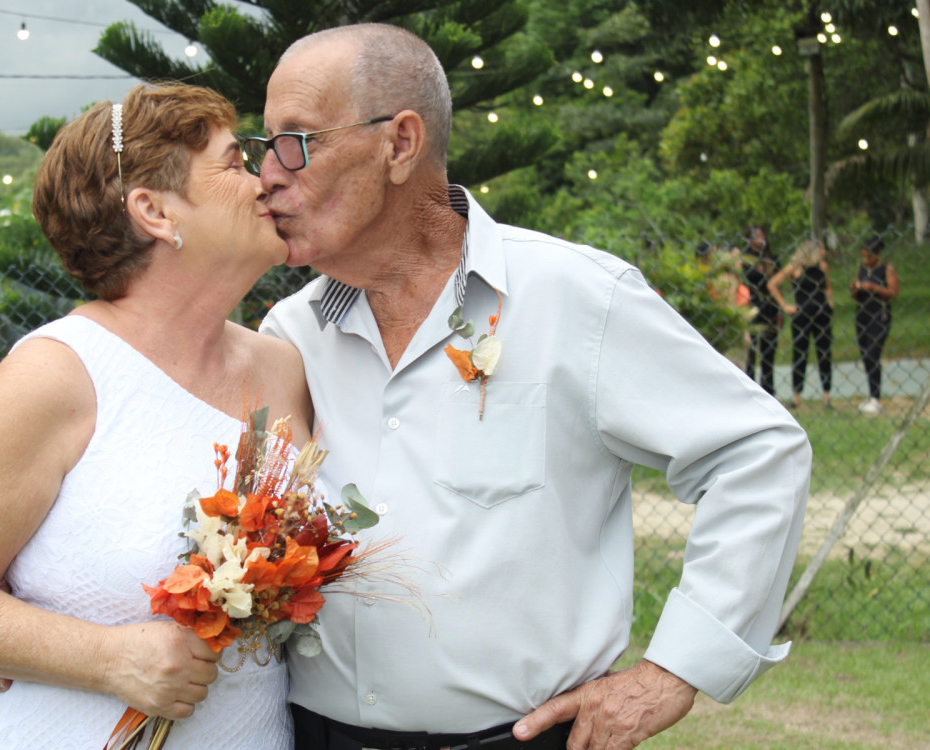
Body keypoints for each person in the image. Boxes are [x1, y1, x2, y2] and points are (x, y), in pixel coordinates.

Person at [250, 23, 810, 750]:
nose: (268, 175)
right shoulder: (290, 338)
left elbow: (757, 453)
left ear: (399, 143)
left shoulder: (575, 297)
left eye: (298, 141)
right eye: (264, 146)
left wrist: (673, 672)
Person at [0, 83, 307, 750]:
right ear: (155, 211)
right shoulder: (59, 374)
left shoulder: (284, 367)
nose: (263, 182)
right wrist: (109, 659)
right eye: (232, 163)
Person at [768, 238, 835, 408]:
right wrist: (784, 306)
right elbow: (772, 283)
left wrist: (830, 302)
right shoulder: (795, 267)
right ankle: (797, 396)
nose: (823, 253)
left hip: (822, 314)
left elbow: (826, 287)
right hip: (802, 315)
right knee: (800, 354)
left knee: (824, 353)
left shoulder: (822, 267)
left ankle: (826, 396)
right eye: (821, 249)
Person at [849, 234, 899, 414]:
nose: (865, 260)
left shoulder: (887, 268)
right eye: (863, 256)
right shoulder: (861, 270)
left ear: (877, 254)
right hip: (863, 315)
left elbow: (893, 292)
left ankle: (876, 398)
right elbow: (854, 296)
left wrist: (873, 287)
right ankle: (872, 396)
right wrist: (855, 288)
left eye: (868, 256)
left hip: (880, 315)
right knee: (865, 355)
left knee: (872, 354)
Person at [741, 226, 781, 396]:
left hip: (770, 309)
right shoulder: (744, 261)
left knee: (768, 351)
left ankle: (768, 389)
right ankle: (750, 390)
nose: (760, 240)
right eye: (756, 237)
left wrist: (779, 310)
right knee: (751, 351)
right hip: (752, 307)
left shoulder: (773, 260)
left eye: (761, 236)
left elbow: (777, 286)